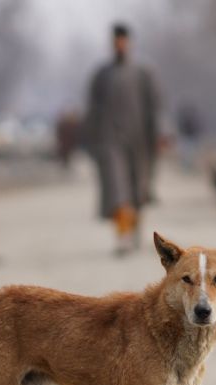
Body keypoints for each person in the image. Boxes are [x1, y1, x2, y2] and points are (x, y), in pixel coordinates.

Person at [85, 23, 160, 256]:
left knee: (138, 190)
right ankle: (123, 236)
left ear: (129, 42)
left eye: (123, 40)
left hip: (139, 141)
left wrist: (159, 135)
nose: (120, 45)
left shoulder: (143, 73)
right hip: (110, 141)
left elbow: (156, 108)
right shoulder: (101, 75)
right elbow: (92, 111)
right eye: (116, 41)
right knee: (118, 191)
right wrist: (92, 141)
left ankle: (135, 228)